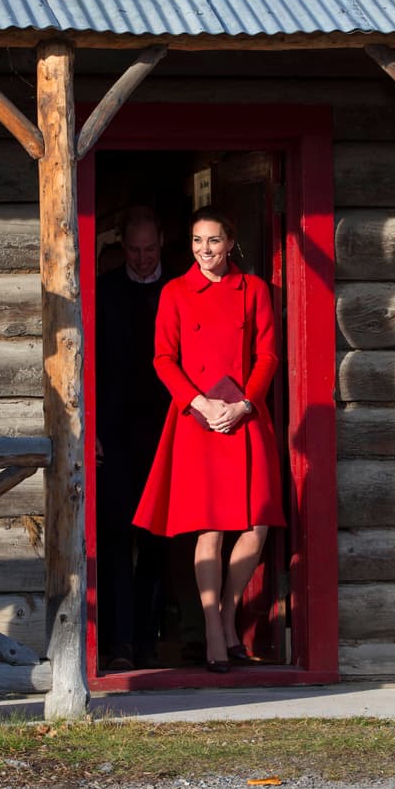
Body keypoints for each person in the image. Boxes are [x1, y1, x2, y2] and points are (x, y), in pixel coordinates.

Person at [133, 206, 285, 672]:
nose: (205, 250)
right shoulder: (176, 292)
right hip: (197, 419)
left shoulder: (254, 290)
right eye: (198, 241)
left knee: (258, 525)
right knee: (210, 530)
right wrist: (199, 404)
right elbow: (163, 358)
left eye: (214, 241)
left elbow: (268, 355)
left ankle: (226, 611)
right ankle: (216, 634)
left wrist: (244, 405)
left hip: (244, 415)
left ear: (229, 241)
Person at [96, 207, 171, 670]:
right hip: (114, 434)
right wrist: (94, 432)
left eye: (150, 250)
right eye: (134, 250)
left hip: (167, 432)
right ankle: (119, 641)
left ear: (163, 242)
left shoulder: (180, 290)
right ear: (122, 246)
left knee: (160, 539)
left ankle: (149, 638)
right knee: (116, 537)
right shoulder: (103, 291)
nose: (142, 259)